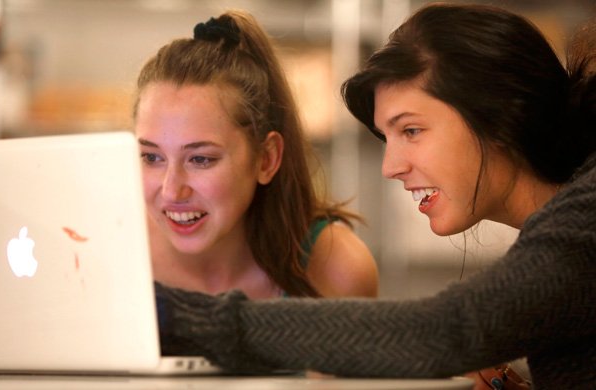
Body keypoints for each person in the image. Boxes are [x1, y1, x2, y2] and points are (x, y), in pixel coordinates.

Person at [153, 3, 596, 389]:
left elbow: (446, 332)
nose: (391, 166)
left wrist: (182, 319)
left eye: (412, 130)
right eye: (389, 138)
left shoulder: (584, 216)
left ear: (499, 113)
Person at [133, 10, 378, 300]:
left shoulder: (337, 269)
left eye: (200, 159)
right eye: (152, 157)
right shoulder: (105, 255)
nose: (171, 190)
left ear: (266, 159)